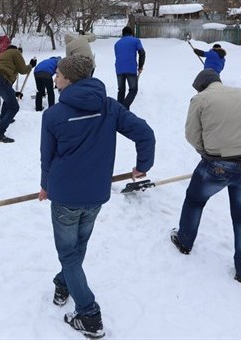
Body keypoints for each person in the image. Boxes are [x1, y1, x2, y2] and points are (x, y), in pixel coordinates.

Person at [39, 55, 155, 338]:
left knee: (69, 253)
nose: (55, 78)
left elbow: (47, 158)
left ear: (69, 78)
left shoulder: (54, 114)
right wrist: (143, 165)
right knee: (76, 248)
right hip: (95, 196)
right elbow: (145, 135)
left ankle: (89, 314)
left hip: (65, 196)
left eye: (58, 74)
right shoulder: (109, 107)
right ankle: (63, 283)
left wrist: (46, 185)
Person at [171, 69, 241, 284]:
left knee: (195, 200)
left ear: (201, 86)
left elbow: (191, 135)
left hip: (217, 163)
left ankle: (184, 241)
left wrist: (206, 153)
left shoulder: (200, 99)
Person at [0, 45, 36, 143]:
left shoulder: (2, 56)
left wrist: (14, 93)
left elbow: (6, 87)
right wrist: (31, 65)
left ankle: (3, 120)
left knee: (7, 99)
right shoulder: (15, 52)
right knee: (14, 107)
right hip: (1, 79)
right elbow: (23, 70)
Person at [114, 26, 145, 110]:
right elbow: (142, 53)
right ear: (131, 33)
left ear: (123, 34)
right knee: (133, 90)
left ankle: (119, 111)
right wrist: (141, 66)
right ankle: (123, 109)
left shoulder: (117, 44)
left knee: (121, 90)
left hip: (119, 69)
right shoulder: (135, 41)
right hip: (131, 68)